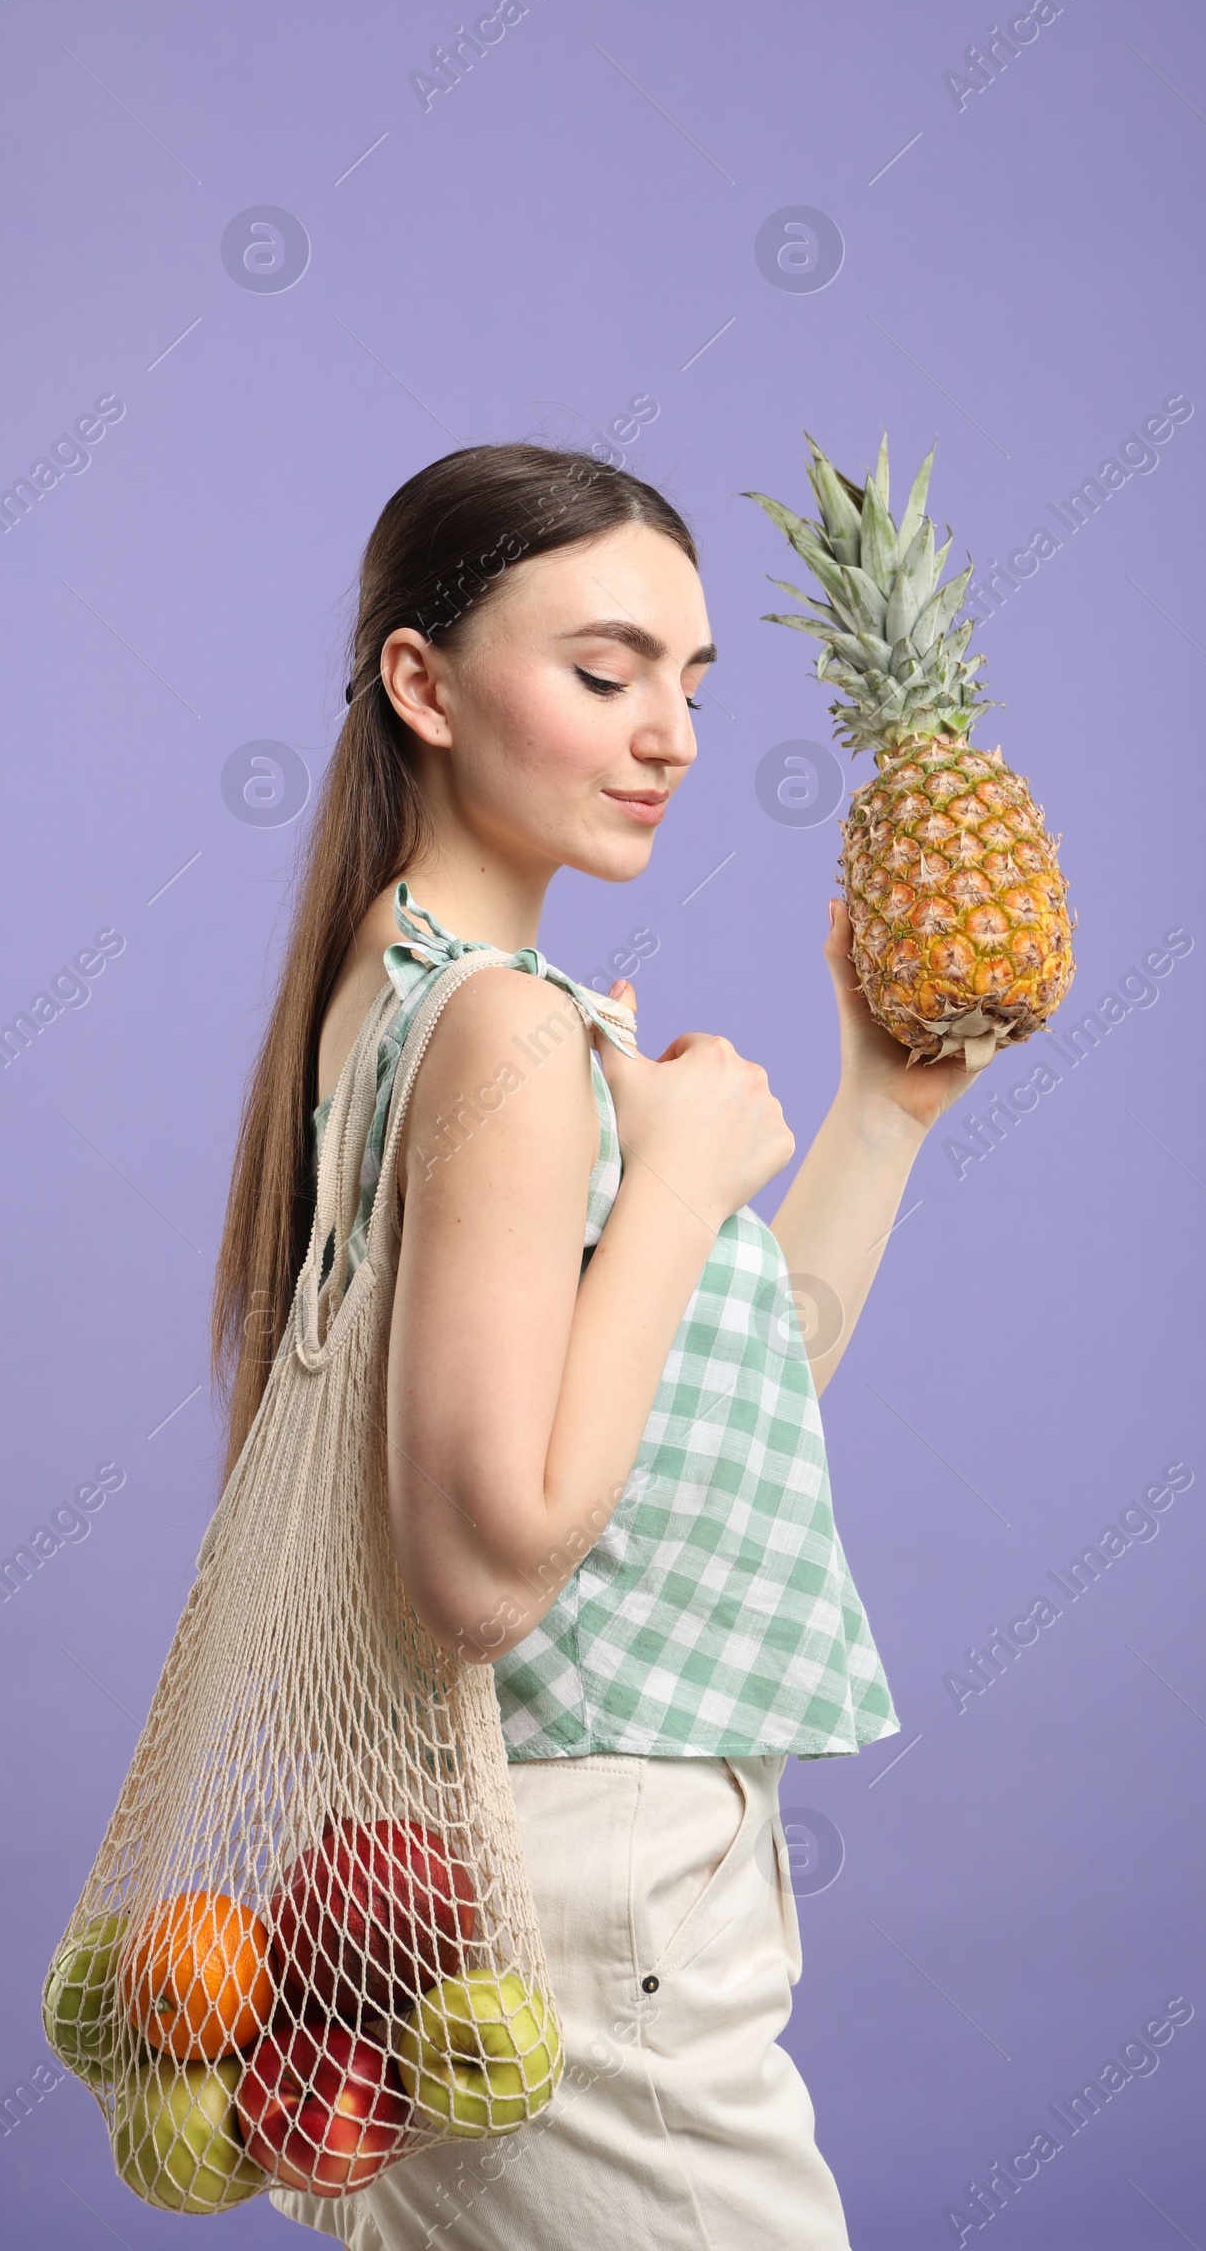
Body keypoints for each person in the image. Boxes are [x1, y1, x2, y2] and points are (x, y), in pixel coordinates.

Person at [210, 443, 978, 2248]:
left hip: (475, 1880)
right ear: (423, 684)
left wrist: (885, 1104)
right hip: (581, 1882)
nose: (673, 735)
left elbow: (683, 1428)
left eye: (694, 685)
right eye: (605, 670)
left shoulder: (407, 997)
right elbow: (486, 1563)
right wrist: (674, 1182)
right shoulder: (503, 1036)